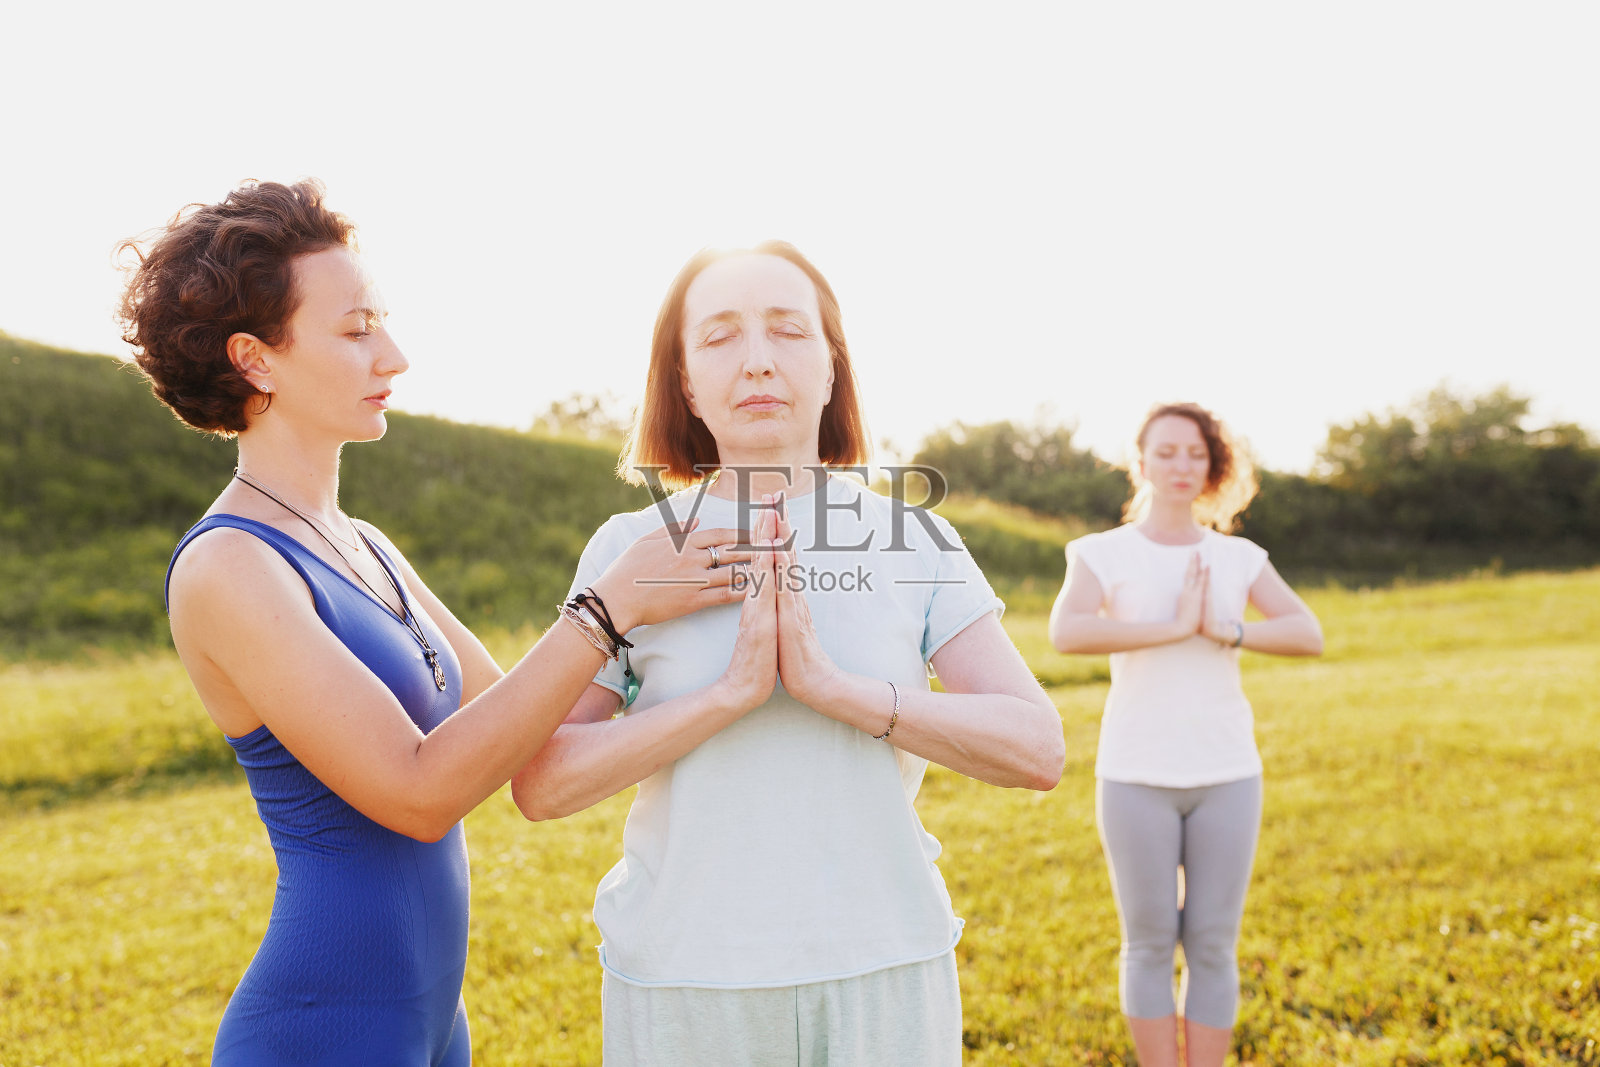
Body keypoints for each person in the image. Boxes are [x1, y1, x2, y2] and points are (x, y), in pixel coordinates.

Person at [118, 179, 748, 1066]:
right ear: (255, 359)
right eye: (356, 329)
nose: (395, 355)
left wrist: (729, 686)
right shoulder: (228, 566)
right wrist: (608, 609)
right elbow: (418, 791)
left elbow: (529, 736)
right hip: (319, 1034)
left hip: (429, 1029)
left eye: (383, 321)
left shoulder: (365, 543)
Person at [510, 241, 1066, 1066]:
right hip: (685, 980)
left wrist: (832, 688)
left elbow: (1036, 747)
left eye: (789, 331)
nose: (760, 361)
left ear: (834, 367)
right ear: (687, 380)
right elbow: (544, 779)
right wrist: (725, 697)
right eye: (722, 335)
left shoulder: (912, 536)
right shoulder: (631, 548)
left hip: (884, 965)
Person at [1048, 402, 1323, 1067]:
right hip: (1135, 773)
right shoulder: (1101, 553)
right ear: (1139, 461)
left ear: (1212, 465)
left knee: (1210, 942)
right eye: (1166, 452)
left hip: (1227, 771)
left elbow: (1306, 632)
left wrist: (1227, 629)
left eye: (1195, 454)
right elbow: (1068, 631)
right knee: (1146, 942)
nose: (1181, 465)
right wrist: (1172, 626)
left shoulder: (1237, 556)